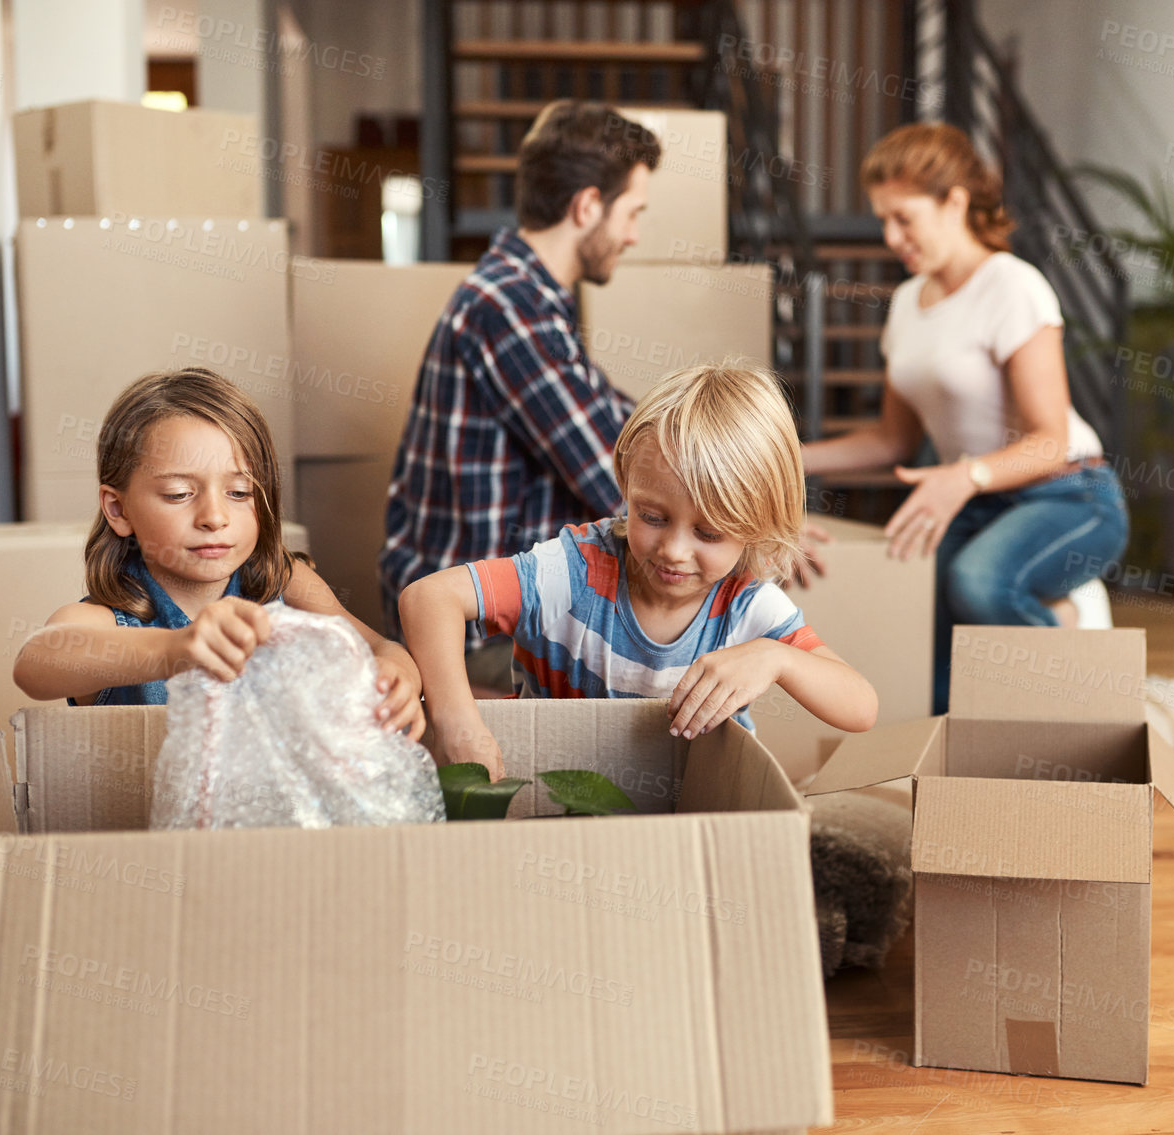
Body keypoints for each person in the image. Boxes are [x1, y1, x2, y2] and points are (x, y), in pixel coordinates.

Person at [399, 363, 878, 780]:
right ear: (627, 483)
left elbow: (861, 707)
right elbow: (427, 598)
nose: (673, 550)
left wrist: (777, 658)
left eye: (709, 534)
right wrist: (458, 722)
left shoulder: (747, 607)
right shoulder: (573, 571)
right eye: (651, 516)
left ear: (754, 529)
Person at [800, 123, 1128, 714]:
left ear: (954, 202)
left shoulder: (1011, 285)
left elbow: (1051, 440)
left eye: (903, 217)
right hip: (975, 502)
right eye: (882, 219)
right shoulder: (906, 303)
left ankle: (1078, 650)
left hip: (1069, 494)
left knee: (977, 584)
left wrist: (964, 475)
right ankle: (957, 763)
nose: (889, 235)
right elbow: (891, 439)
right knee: (923, 623)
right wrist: (788, 458)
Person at [378, 101, 661, 689]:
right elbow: (617, 477)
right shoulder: (509, 309)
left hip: (496, 609)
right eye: (632, 213)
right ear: (587, 206)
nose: (634, 235)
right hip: (474, 628)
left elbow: (625, 422)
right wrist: (725, 516)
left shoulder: (535, 300)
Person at [14, 367, 424, 736]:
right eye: (179, 494)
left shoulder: (287, 583)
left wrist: (397, 675)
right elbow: (37, 664)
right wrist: (175, 649)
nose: (214, 516)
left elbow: (381, 648)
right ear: (119, 511)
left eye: (239, 492)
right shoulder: (104, 622)